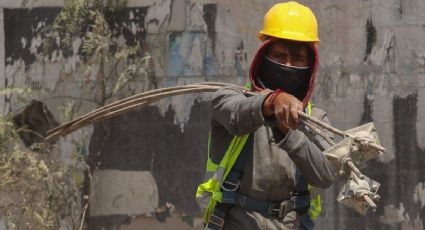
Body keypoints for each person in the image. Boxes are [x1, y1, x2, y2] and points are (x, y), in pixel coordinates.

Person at [196, 2, 336, 229]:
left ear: (310, 66)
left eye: (298, 59)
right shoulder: (230, 97)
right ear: (263, 57)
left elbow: (326, 174)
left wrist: (290, 132)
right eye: (280, 56)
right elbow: (236, 117)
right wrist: (272, 102)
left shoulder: (315, 118)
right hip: (233, 222)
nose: (288, 66)